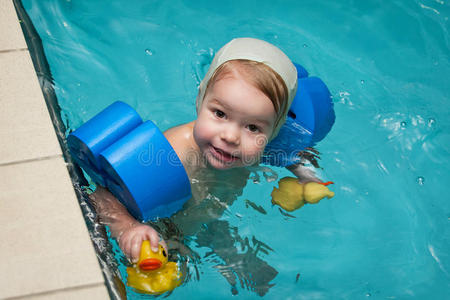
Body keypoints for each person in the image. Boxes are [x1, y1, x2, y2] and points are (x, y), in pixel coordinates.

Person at [89, 38, 324, 267]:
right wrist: (128, 229)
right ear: (200, 99)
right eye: (220, 114)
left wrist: (307, 175)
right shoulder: (173, 153)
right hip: (160, 230)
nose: (231, 137)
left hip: (205, 219)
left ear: (275, 130)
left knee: (262, 277)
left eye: (252, 127)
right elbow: (102, 194)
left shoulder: (260, 145)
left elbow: (291, 154)